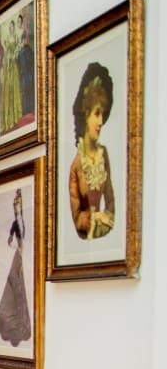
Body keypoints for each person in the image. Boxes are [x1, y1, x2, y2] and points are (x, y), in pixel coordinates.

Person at [68, 63, 116, 239]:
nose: (101, 121)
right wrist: (95, 219)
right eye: (97, 114)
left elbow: (110, 203)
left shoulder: (104, 155)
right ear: (86, 115)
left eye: (103, 114)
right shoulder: (77, 165)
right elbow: (77, 217)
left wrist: (106, 218)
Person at [0, 189, 32, 347]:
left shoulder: (24, 220)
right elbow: (12, 233)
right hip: (19, 254)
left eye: (19, 204)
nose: (17, 207)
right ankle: (16, 322)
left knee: (19, 285)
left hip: (23, 254)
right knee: (16, 283)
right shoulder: (16, 223)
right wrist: (11, 240)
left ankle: (21, 322)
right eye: (15, 204)